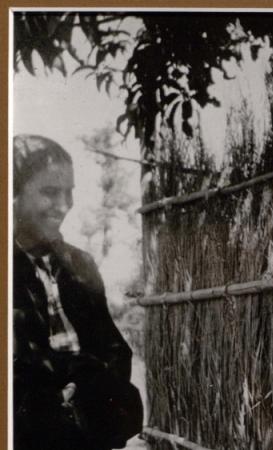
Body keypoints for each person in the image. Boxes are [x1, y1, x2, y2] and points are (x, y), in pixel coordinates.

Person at [13, 135, 142, 450]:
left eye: (69, 193)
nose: (63, 206)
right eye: (49, 192)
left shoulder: (80, 265)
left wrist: (92, 389)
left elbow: (115, 348)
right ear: (12, 193)